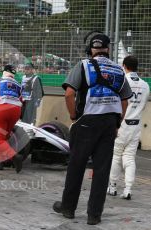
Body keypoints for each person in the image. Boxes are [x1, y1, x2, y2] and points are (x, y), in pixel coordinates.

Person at [52, 33, 132, 225]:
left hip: (86, 121)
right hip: (109, 124)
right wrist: (117, 123)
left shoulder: (83, 65)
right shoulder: (119, 70)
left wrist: (74, 117)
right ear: (108, 49)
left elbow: (69, 94)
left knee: (76, 165)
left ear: (91, 50)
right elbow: (125, 100)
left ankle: (68, 208)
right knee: (102, 169)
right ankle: (94, 215)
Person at [108, 56, 150, 200]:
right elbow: (143, 105)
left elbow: (117, 103)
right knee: (130, 158)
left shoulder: (122, 81)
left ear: (124, 65)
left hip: (122, 123)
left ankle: (112, 187)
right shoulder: (145, 85)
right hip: (136, 125)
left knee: (116, 155)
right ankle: (128, 189)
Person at [0, 64, 23, 173]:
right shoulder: (18, 84)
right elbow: (22, 100)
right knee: (4, 137)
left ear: (4, 71)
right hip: (16, 110)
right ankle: (1, 162)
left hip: (2, 108)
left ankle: (14, 157)